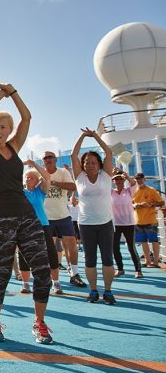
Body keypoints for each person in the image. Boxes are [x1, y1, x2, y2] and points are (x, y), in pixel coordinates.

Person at [0, 82, 53, 344]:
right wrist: (0, 94)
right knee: (3, 273)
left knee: (42, 270)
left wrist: (14, 93)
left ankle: (40, 323)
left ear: (9, 131)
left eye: (2, 127)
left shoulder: (15, 148)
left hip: (26, 214)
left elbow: (27, 117)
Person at [71, 128, 116, 304]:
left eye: (93, 162)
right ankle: (93, 291)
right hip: (86, 224)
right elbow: (74, 155)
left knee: (107, 259)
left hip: (105, 223)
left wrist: (95, 136)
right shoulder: (79, 177)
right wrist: (82, 135)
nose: (90, 165)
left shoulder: (106, 176)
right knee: (90, 260)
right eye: (87, 162)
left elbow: (109, 152)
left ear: (99, 164)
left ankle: (108, 291)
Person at [41, 151, 85, 290]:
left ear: (55, 159)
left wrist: (53, 182)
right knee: (50, 248)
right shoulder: (39, 173)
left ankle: (75, 273)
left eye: (50, 157)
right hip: (46, 217)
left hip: (63, 215)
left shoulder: (63, 172)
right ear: (43, 161)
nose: (48, 159)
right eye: (45, 158)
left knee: (71, 243)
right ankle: (50, 277)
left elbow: (73, 187)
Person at [19, 161, 60, 296]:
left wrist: (33, 164)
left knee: (51, 253)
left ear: (37, 181)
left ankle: (55, 282)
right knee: (24, 255)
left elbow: (47, 177)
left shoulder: (40, 192)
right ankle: (25, 284)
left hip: (42, 225)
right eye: (27, 177)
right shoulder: (19, 192)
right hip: (25, 227)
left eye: (32, 177)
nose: (29, 178)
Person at [110, 169, 143, 278]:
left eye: (120, 179)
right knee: (115, 248)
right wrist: (111, 174)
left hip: (129, 223)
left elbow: (133, 183)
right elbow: (102, 185)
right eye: (116, 179)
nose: (118, 181)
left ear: (123, 180)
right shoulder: (111, 192)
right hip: (115, 224)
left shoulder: (129, 191)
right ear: (113, 181)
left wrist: (127, 177)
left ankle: (138, 270)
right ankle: (120, 269)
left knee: (131, 247)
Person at [131, 172, 164, 268]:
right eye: (137, 179)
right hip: (138, 220)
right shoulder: (134, 191)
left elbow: (161, 202)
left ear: (144, 179)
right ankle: (147, 261)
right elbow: (130, 204)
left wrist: (150, 205)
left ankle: (156, 262)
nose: (139, 181)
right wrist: (136, 205)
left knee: (154, 241)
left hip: (150, 220)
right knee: (143, 242)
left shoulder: (151, 190)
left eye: (140, 179)